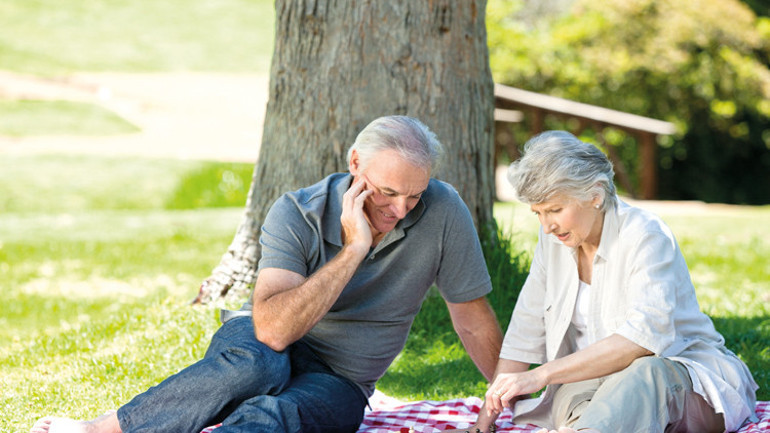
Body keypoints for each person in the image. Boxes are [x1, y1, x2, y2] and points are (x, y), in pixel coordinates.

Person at [31, 115, 504, 433]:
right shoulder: (297, 211)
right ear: (354, 163)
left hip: (342, 380)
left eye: (414, 196)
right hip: (259, 341)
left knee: (276, 415)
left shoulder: (444, 212)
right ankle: (104, 429)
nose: (400, 209)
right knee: (259, 366)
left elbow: (471, 316)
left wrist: (511, 394)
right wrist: (354, 247)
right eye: (387, 192)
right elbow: (273, 331)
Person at [447, 131, 758, 433]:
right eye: (538, 213)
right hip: (599, 386)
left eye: (555, 210)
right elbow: (525, 329)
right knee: (566, 392)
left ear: (595, 195)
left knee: (644, 374)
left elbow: (642, 341)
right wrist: (481, 426)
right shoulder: (554, 242)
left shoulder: (645, 234)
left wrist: (539, 376)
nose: (546, 226)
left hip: (680, 381)